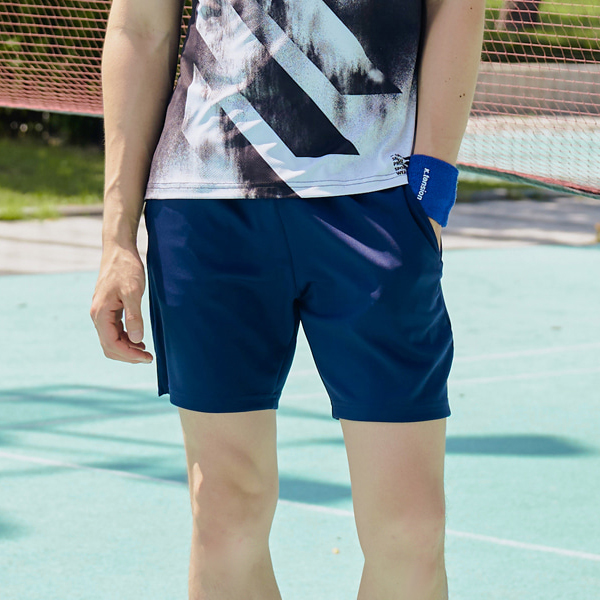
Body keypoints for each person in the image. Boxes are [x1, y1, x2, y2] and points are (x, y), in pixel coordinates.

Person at [90, 0, 486, 598]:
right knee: (225, 514)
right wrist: (116, 239)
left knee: (410, 528)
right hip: (206, 206)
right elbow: (138, 28)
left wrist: (430, 195)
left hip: (376, 201)